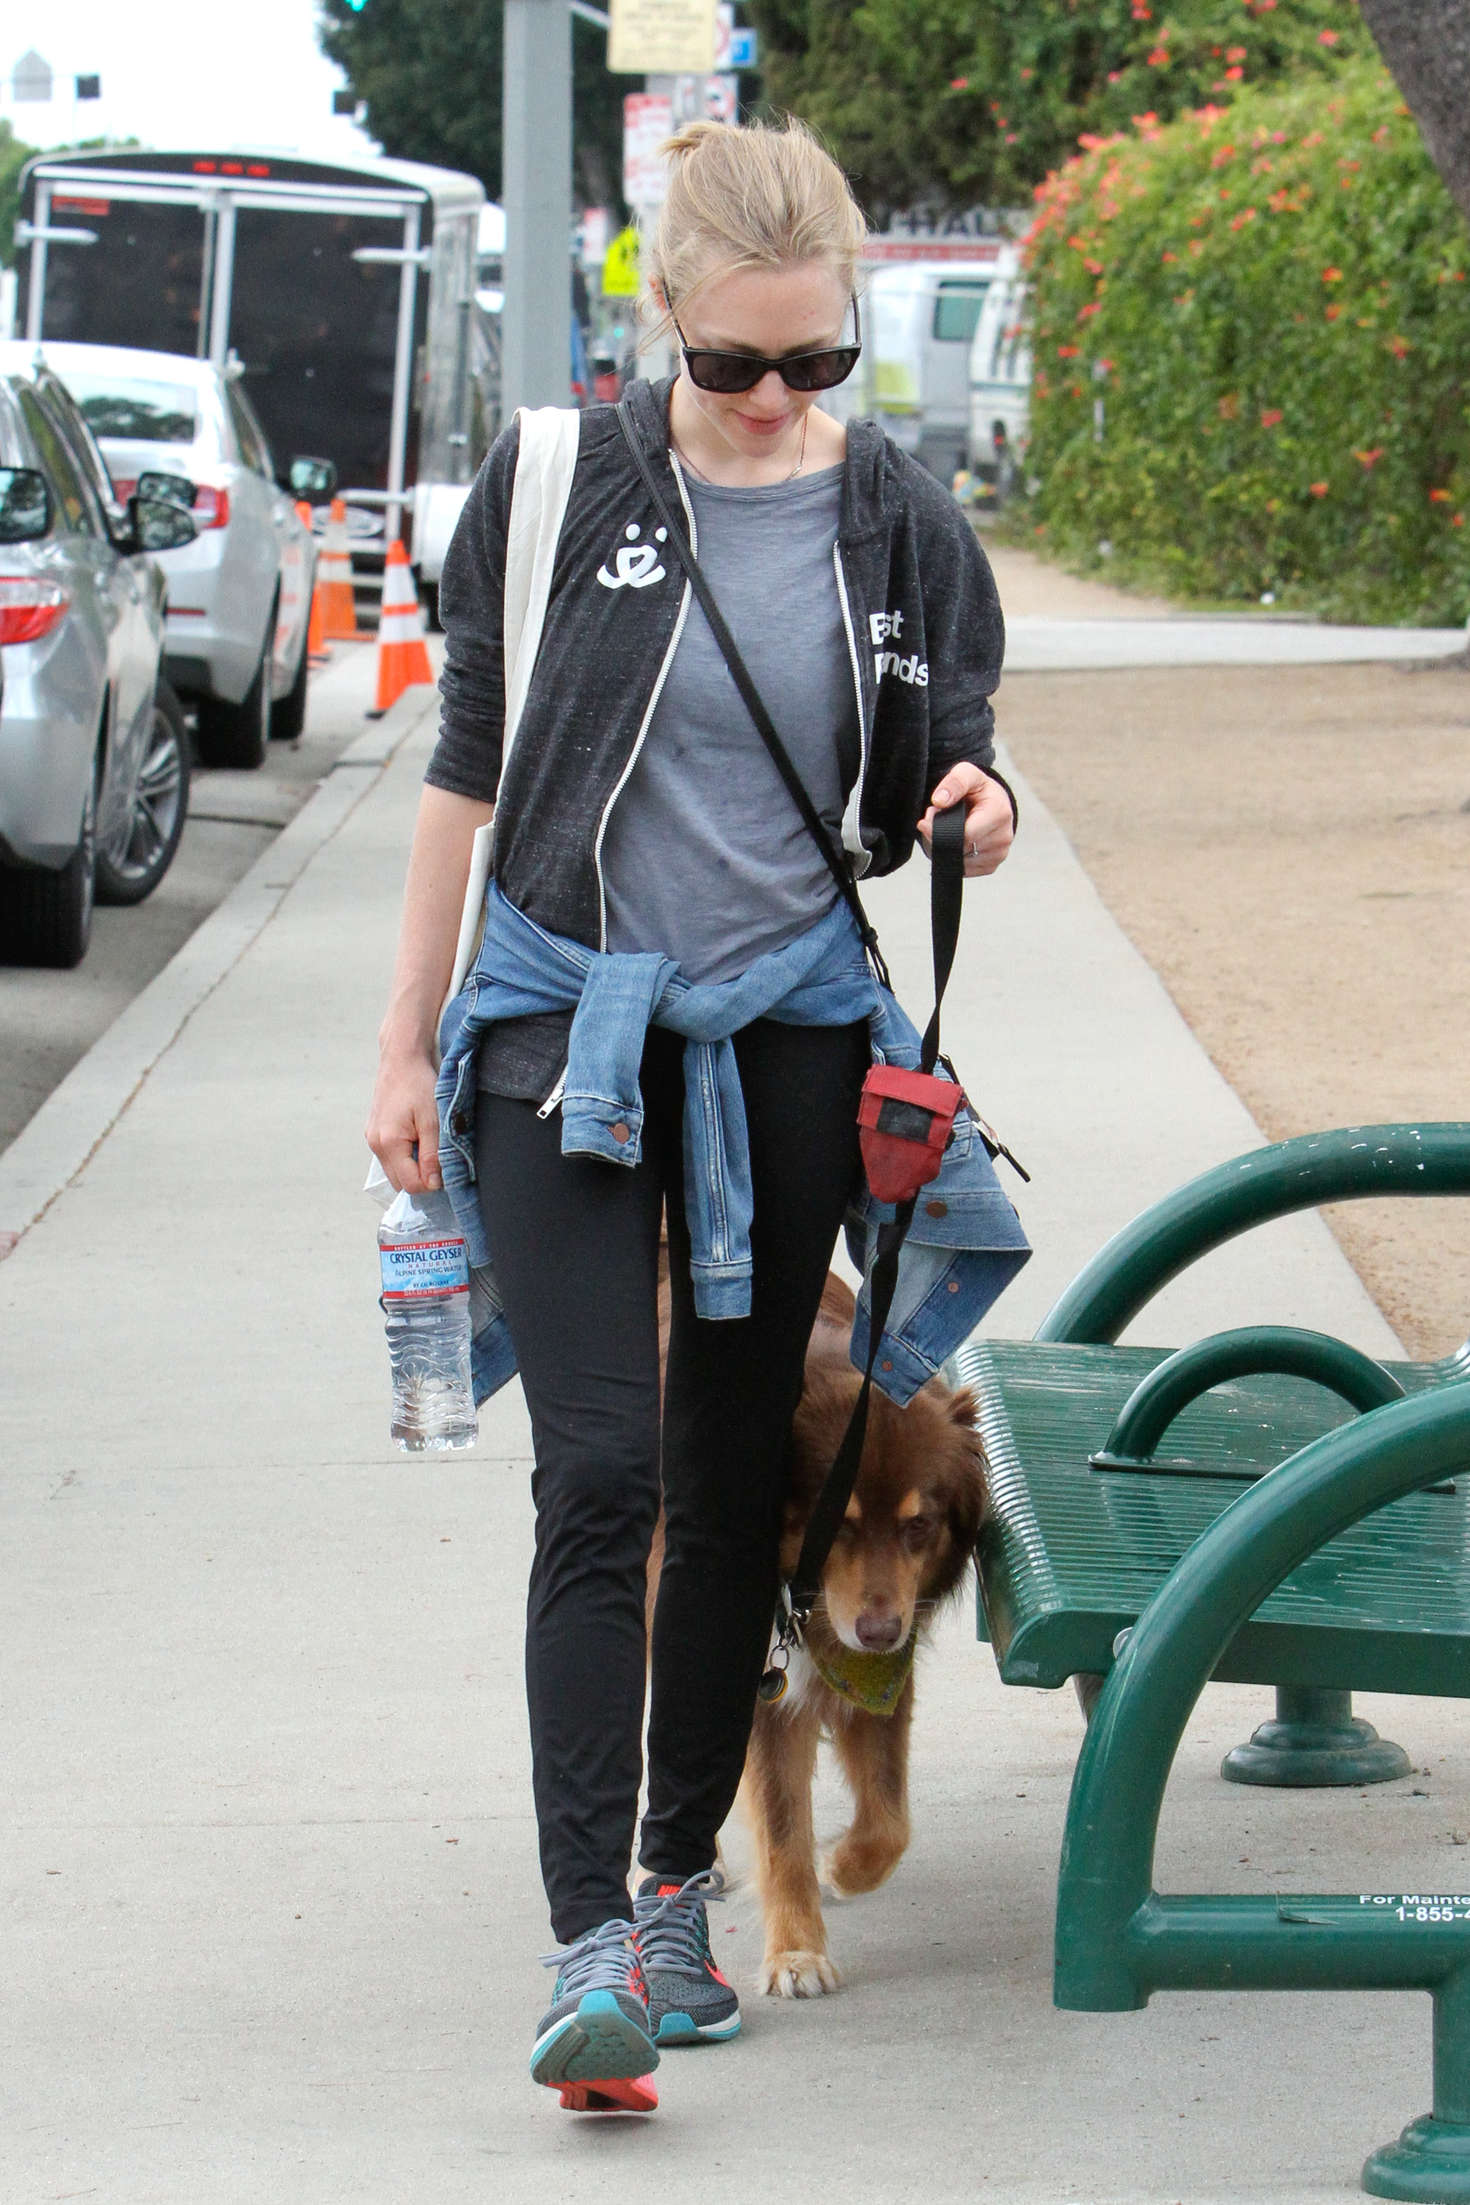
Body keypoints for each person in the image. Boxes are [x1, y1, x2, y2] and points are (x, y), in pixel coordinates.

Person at [365, 117, 1017, 2114]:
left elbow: (941, 753)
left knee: (741, 1473)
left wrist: (973, 803)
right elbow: (464, 774)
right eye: (733, 364)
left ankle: (671, 1884)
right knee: (608, 1469)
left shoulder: (896, 521)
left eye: (813, 366)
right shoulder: (560, 482)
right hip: (568, 1026)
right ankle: (593, 1954)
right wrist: (404, 1043)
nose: (770, 401)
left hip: (797, 1040)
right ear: (664, 329)